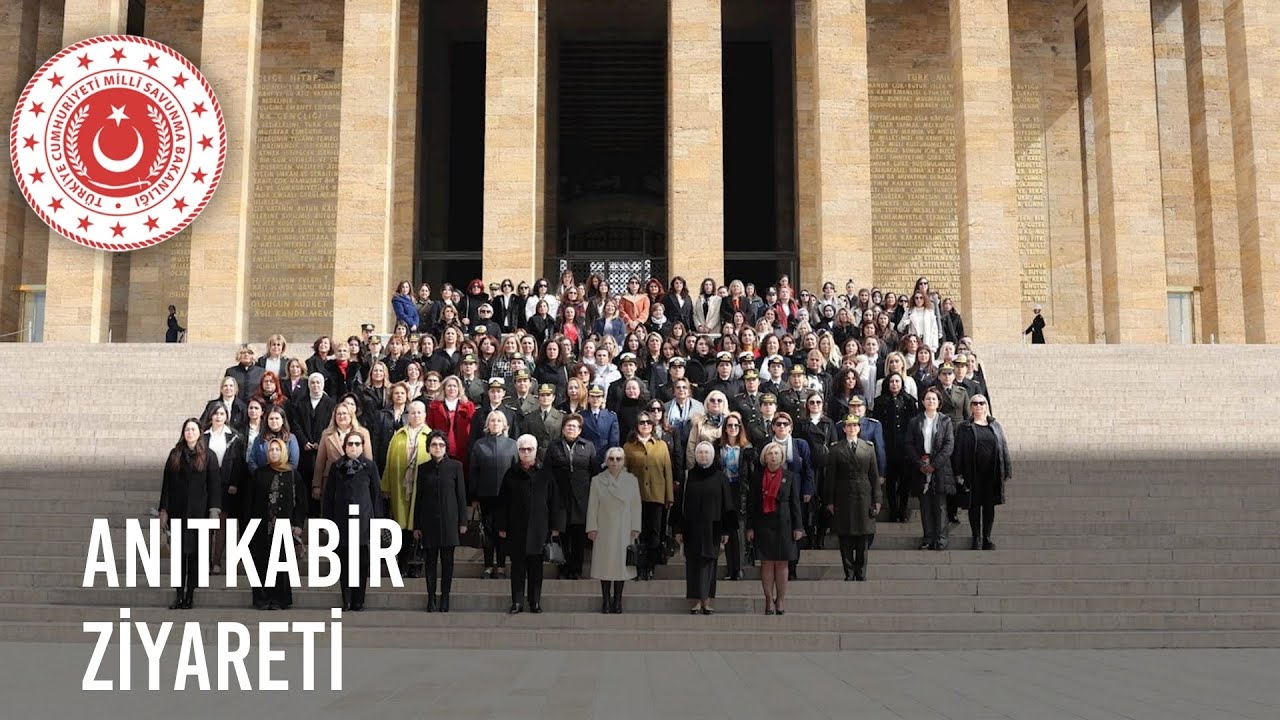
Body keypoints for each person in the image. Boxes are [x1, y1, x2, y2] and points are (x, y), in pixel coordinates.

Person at [495, 435, 563, 614]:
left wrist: (555, 526)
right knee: (517, 568)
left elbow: (554, 501)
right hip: (516, 528)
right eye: (522, 449)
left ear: (535, 450)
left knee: (536, 569)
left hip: (539, 529)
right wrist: (502, 526)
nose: (526, 452)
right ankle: (517, 602)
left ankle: (535, 602)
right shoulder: (511, 473)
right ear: (518, 451)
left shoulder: (545, 473)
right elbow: (503, 502)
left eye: (529, 449)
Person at [158, 419, 220, 610]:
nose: (190, 433)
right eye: (187, 429)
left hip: (198, 513)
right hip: (178, 511)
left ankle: (190, 595)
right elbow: (166, 484)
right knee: (178, 556)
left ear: (200, 432)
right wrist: (163, 510)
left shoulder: (209, 456)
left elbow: (214, 485)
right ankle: (179, 595)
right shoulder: (175, 454)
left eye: (193, 429)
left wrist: (213, 510)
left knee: (194, 555)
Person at [672, 441, 736, 615]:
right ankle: (695, 601)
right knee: (692, 563)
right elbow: (679, 504)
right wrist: (677, 529)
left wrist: (726, 530)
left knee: (709, 563)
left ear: (713, 455)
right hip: (691, 527)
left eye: (707, 453)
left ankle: (706, 600)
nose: (703, 456)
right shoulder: (687, 476)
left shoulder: (720, 477)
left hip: (713, 527)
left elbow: (728, 505)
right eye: (700, 453)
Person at [323, 432, 381, 610]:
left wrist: (377, 521)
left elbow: (376, 495)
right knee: (345, 562)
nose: (353, 447)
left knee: (362, 563)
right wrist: (327, 521)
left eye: (357, 444)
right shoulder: (336, 466)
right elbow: (329, 496)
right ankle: (346, 599)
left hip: (363, 520)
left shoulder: (370, 466)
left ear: (363, 446)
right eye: (350, 444)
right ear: (345, 446)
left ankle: (359, 599)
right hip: (342, 520)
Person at [243, 438, 304, 609]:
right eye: (271, 450)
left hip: (284, 526)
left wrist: (298, 524)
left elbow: (301, 501)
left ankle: (280, 599)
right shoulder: (259, 473)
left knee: (281, 564)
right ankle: (262, 599)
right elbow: (249, 501)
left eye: (278, 449)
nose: (274, 452)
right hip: (262, 526)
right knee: (261, 563)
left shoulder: (292, 474)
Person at [745, 442, 804, 615]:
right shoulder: (757, 477)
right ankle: (769, 600)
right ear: (765, 457)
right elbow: (752, 504)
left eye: (777, 453)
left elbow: (795, 503)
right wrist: (750, 527)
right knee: (766, 563)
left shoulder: (790, 476)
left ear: (782, 457)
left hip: (784, 524)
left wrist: (798, 526)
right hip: (763, 524)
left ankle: (781, 600)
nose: (774, 456)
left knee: (782, 563)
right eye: (770, 453)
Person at [413, 431, 468, 612]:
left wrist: (463, 521)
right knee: (430, 562)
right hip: (428, 521)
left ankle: (445, 597)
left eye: (441, 445)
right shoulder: (423, 468)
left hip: (450, 521)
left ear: (446, 448)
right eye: (434, 445)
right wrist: (416, 525)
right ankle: (431, 598)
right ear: (429, 447)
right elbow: (418, 498)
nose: (438, 448)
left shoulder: (455, 466)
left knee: (447, 562)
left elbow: (461, 496)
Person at [824, 414, 881, 581]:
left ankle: (861, 572)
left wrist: (877, 499)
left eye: (855, 425)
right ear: (843, 428)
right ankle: (848, 572)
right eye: (848, 426)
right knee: (845, 537)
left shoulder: (868, 447)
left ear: (859, 428)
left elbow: (874, 476)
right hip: (843, 496)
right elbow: (830, 478)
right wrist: (829, 501)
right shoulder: (836, 449)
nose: (852, 428)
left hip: (864, 496)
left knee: (863, 538)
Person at [586, 446, 642, 613]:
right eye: (611, 459)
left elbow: (636, 506)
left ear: (624, 461)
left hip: (624, 528)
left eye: (618, 459)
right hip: (604, 528)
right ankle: (605, 600)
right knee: (605, 566)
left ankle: (617, 601)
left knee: (621, 567)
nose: (615, 462)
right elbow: (593, 506)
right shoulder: (597, 480)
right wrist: (592, 528)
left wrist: (636, 527)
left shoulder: (631, 480)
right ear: (606, 460)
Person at [952, 394, 1011, 550]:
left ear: (986, 406)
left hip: (992, 473)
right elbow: (958, 451)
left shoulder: (995, 426)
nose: (978, 406)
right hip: (972, 473)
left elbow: (1003, 447)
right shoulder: (964, 427)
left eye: (982, 403)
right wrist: (958, 473)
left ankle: (987, 538)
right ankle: (976, 537)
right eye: (975, 403)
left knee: (989, 506)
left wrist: (1007, 469)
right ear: (971, 407)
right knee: (974, 506)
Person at [383, 400, 431, 578]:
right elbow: (389, 462)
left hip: (422, 489)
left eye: (419, 412)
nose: (416, 415)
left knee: (419, 526)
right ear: (407, 415)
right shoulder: (398, 435)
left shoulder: (430, 435)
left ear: (425, 415)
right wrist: (386, 486)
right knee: (402, 528)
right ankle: (402, 564)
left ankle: (417, 566)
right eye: (413, 412)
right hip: (401, 488)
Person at [469, 410, 519, 578]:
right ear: (487, 425)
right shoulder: (479, 445)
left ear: (505, 425)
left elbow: (516, 471)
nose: (495, 423)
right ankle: (488, 565)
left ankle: (502, 566)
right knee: (488, 532)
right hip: (486, 495)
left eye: (499, 420)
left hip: (507, 497)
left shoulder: (513, 445)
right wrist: (474, 497)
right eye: (492, 420)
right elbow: (473, 471)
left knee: (503, 532)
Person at [765, 411, 814, 580]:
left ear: (791, 427)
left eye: (786, 424)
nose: (782, 427)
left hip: (795, 493)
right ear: (773, 427)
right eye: (778, 424)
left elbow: (808, 469)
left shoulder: (800, 445)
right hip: (771, 494)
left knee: (795, 530)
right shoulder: (767, 444)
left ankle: (792, 568)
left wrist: (808, 490)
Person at [907, 387, 956, 551]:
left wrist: (934, 465)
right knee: (925, 505)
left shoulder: (945, 421)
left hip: (940, 468)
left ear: (939, 403)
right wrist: (920, 464)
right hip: (921, 466)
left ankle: (941, 538)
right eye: (928, 399)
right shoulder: (915, 421)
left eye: (934, 399)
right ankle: (928, 537)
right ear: (922, 402)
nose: (930, 401)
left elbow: (949, 445)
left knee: (940, 506)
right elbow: (909, 444)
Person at [202, 404, 245, 574]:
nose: (218, 417)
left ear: (226, 416)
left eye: (221, 414)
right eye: (215, 414)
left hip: (225, 485)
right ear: (211, 416)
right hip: (206, 485)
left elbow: (237, 462)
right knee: (206, 526)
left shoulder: (234, 436)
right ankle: (204, 561)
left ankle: (217, 562)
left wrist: (234, 483)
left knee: (221, 525)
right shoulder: (203, 436)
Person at [873, 372, 919, 524]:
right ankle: (893, 510)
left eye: (897, 381)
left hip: (906, 447)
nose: (894, 384)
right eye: (892, 381)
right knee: (891, 481)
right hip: (888, 446)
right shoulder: (880, 401)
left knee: (905, 480)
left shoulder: (909, 401)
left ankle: (903, 510)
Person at [312, 403, 373, 512]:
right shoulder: (327, 434)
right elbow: (320, 462)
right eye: (338, 414)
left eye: (344, 413)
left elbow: (368, 459)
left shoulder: (363, 433)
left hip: (356, 480)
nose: (341, 416)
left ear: (351, 416)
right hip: (332, 481)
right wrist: (316, 485)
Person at [289, 372, 335, 517]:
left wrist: (320, 442)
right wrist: (304, 441)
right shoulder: (300, 402)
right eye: (313, 383)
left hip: (323, 449)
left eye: (318, 383)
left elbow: (331, 425)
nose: (315, 385)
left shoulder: (331, 404)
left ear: (323, 384)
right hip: (305, 451)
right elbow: (295, 424)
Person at [717, 411, 755, 581]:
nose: (732, 428)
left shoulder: (746, 448)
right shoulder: (718, 448)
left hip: (740, 492)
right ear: (724, 429)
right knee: (727, 531)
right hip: (723, 491)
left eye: (735, 426)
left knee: (738, 531)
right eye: (729, 425)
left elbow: (751, 474)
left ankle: (739, 568)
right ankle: (730, 567)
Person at [579, 386, 620, 468]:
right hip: (586, 457)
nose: (595, 399)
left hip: (604, 458)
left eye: (598, 396)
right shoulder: (581, 416)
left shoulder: (611, 417)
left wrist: (610, 458)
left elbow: (614, 441)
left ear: (603, 399)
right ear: (588, 398)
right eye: (592, 396)